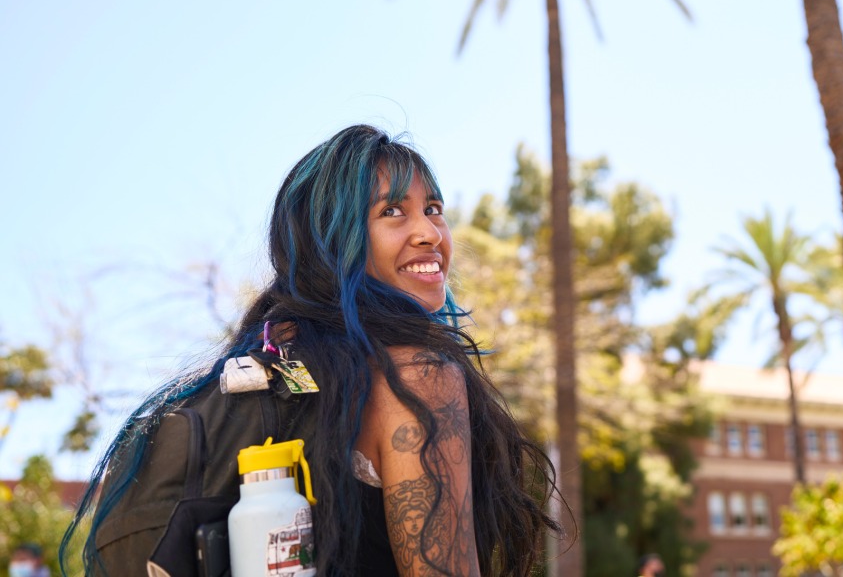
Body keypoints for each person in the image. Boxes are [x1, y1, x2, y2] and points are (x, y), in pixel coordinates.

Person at [65, 125, 561, 576]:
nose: (430, 233)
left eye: (433, 209)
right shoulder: (416, 374)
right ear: (332, 239)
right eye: (392, 212)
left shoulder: (274, 365)